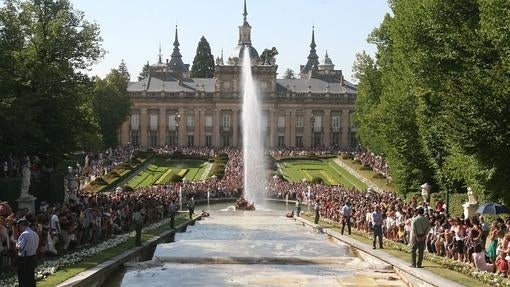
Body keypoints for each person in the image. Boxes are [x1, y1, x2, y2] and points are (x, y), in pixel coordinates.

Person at [16, 218, 39, 287]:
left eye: (19, 226)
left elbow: (20, 247)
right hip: (33, 256)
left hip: (24, 258)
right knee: (31, 277)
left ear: (22, 225)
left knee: (23, 278)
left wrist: (15, 242)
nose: (19, 228)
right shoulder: (35, 234)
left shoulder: (24, 234)